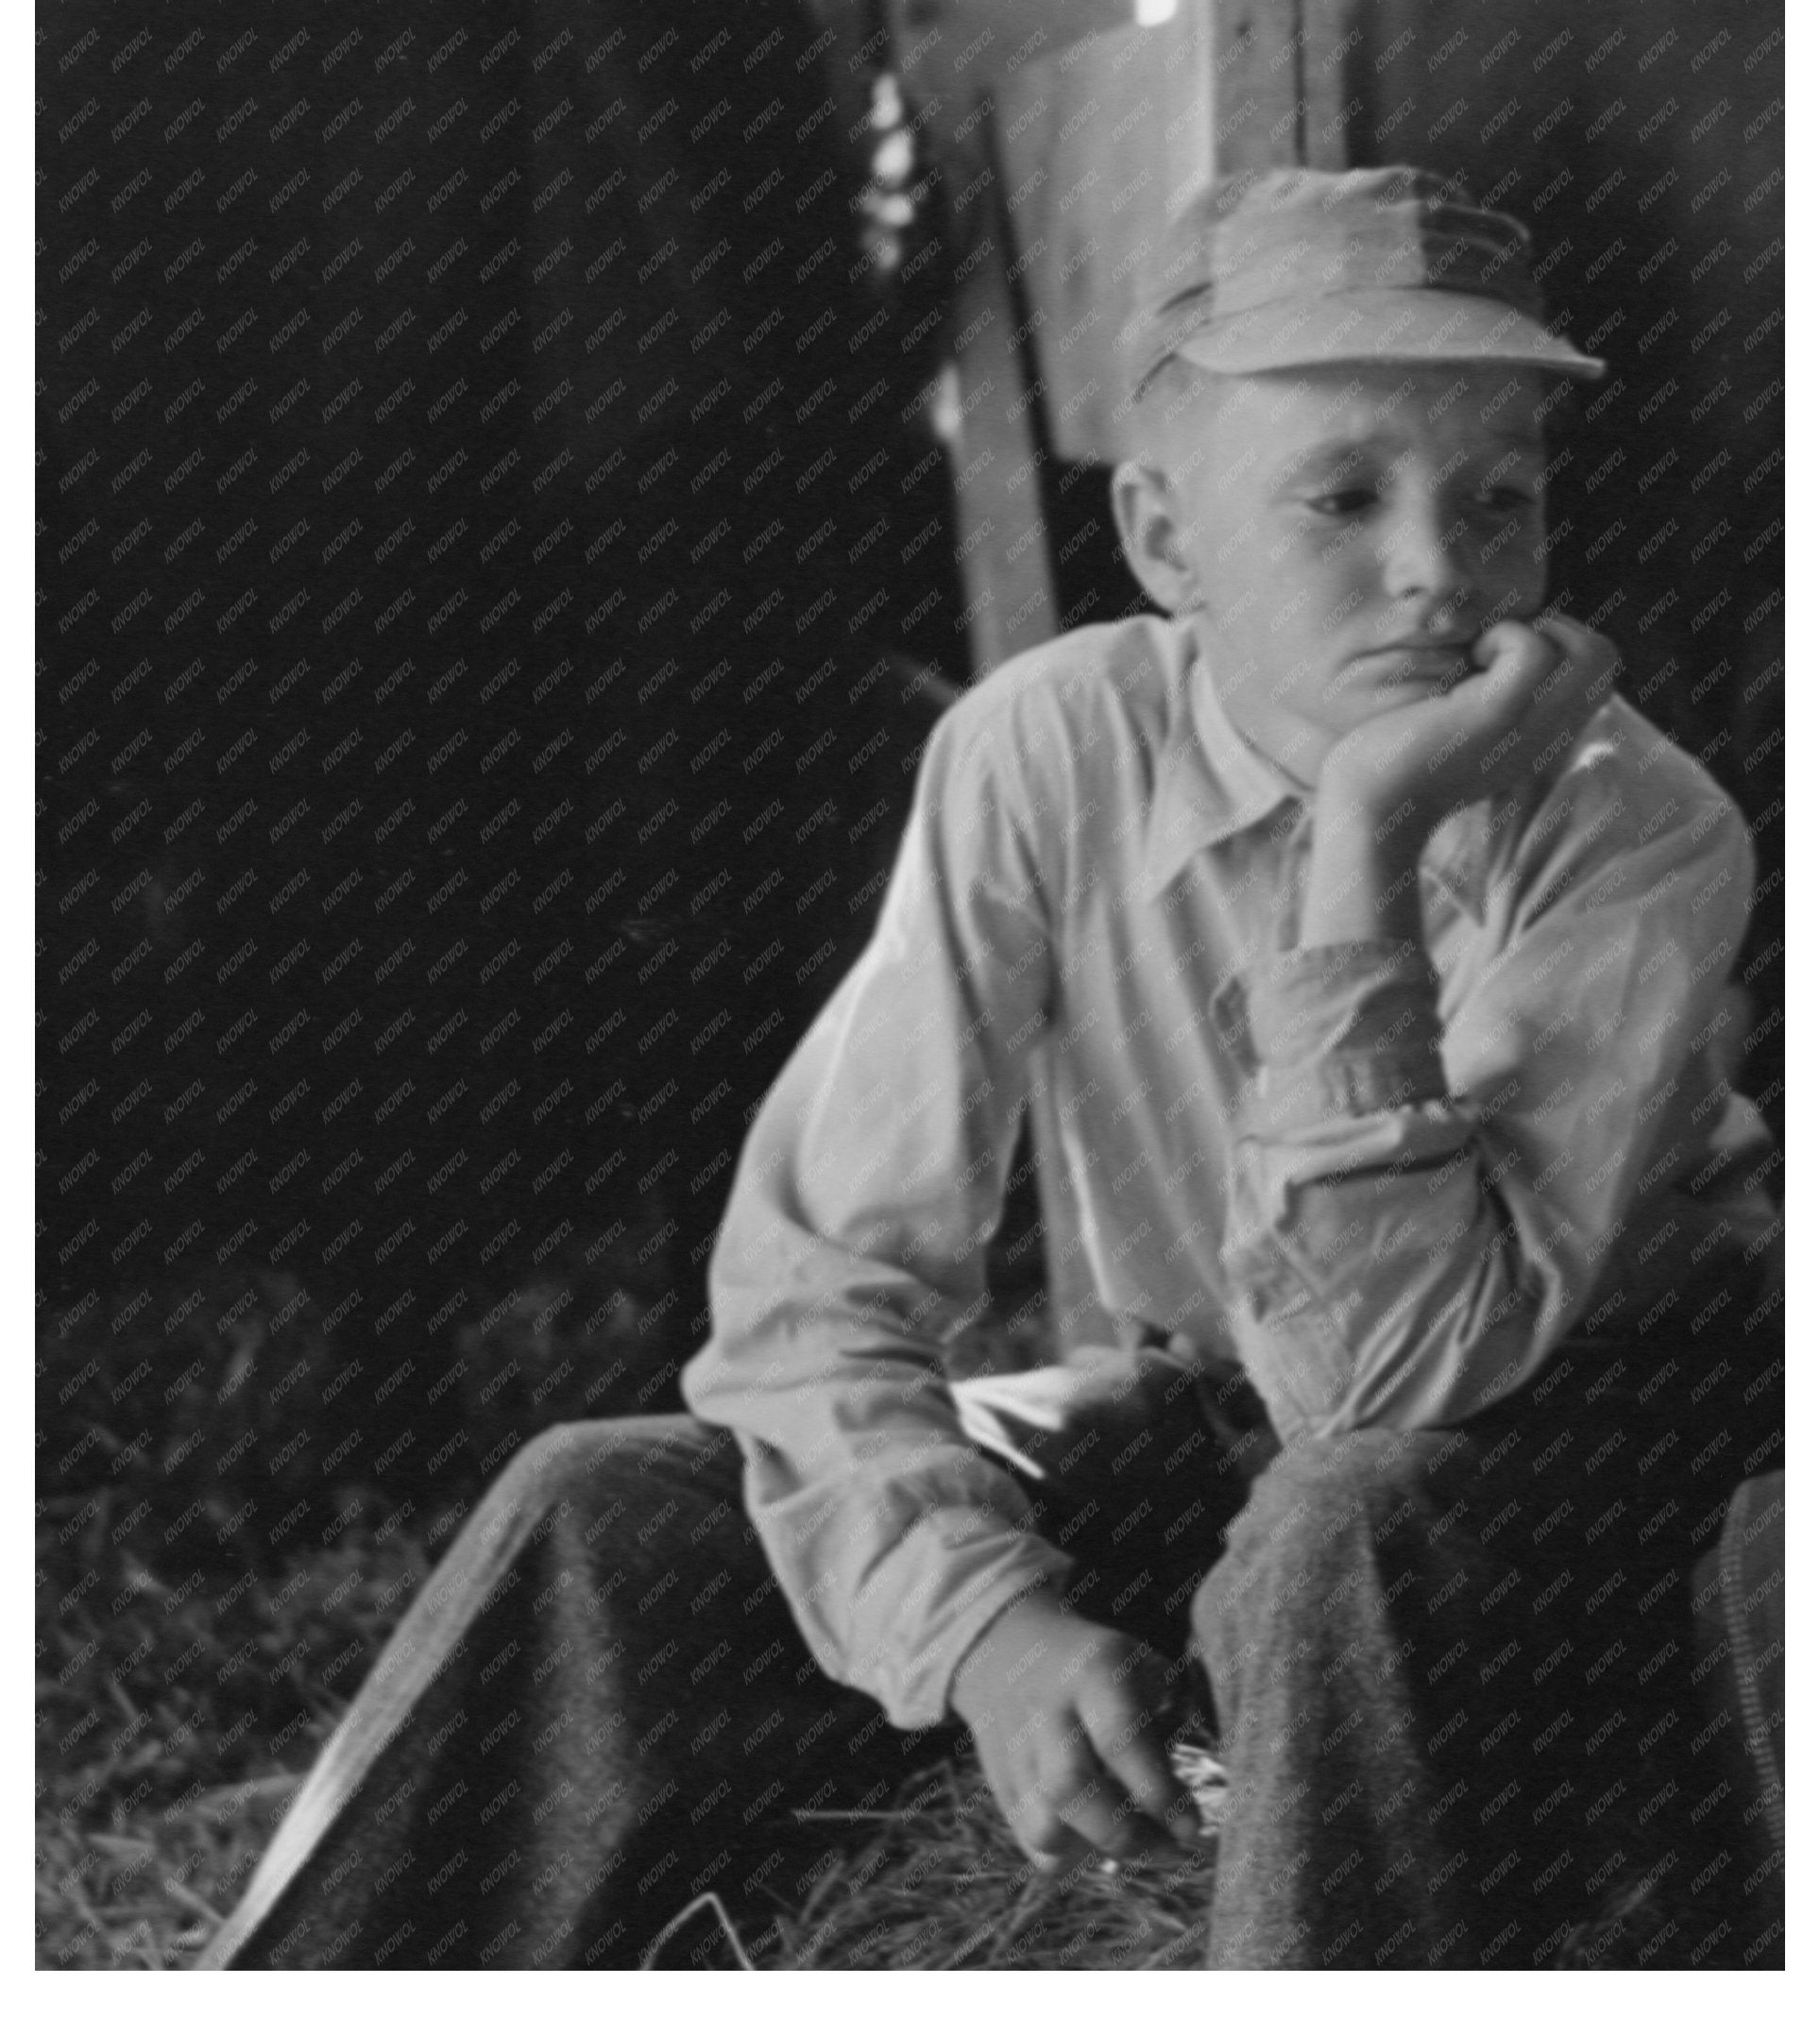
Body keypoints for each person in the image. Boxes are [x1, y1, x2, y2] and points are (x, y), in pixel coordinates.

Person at [204, 168, 1781, 1971]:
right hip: (1224, 1421)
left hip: (1599, 1469)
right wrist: (987, 1626)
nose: (1438, 565)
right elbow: (815, 1286)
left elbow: (1399, 1378)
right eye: (1343, 495)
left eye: (1500, 498)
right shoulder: (1042, 750)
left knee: (1332, 1531)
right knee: (601, 1507)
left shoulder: (1631, 825)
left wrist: (1361, 845)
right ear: (1166, 542)